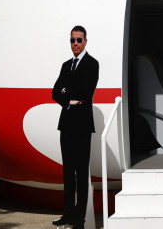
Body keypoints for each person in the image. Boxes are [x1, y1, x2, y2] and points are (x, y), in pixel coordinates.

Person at [51, 26, 99, 227]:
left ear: (85, 41)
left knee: (80, 172)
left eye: (79, 40)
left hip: (82, 125)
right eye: (72, 40)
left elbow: (85, 92)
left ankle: (79, 218)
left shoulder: (92, 64)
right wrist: (69, 99)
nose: (76, 44)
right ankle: (68, 213)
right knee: (68, 173)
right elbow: (55, 92)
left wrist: (66, 92)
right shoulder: (65, 65)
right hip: (66, 125)